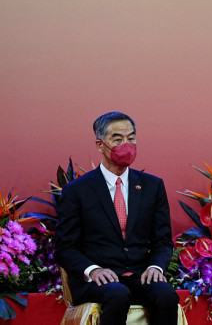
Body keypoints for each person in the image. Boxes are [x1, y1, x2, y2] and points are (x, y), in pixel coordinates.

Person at [56, 112, 180, 325]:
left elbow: (162, 241)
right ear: (99, 145)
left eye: (131, 138)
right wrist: (92, 270)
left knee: (166, 295)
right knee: (117, 294)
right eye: (118, 139)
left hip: (140, 274)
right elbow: (65, 247)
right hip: (99, 278)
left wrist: (156, 267)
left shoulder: (152, 186)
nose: (127, 145)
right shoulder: (77, 190)